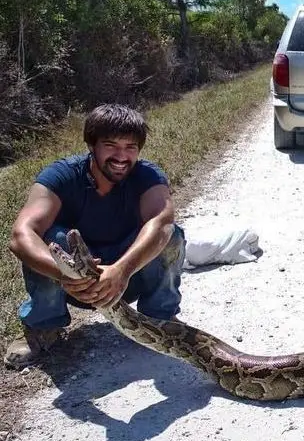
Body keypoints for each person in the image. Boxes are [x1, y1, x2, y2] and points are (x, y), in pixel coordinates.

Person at [4, 104, 185, 369]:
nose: (121, 156)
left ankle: (161, 319)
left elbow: (162, 223)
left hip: (127, 278)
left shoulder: (147, 176)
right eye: (110, 145)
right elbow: (21, 235)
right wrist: (64, 274)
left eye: (130, 147)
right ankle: (43, 327)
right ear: (92, 145)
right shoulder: (61, 175)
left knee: (171, 235)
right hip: (71, 283)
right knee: (50, 239)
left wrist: (121, 271)